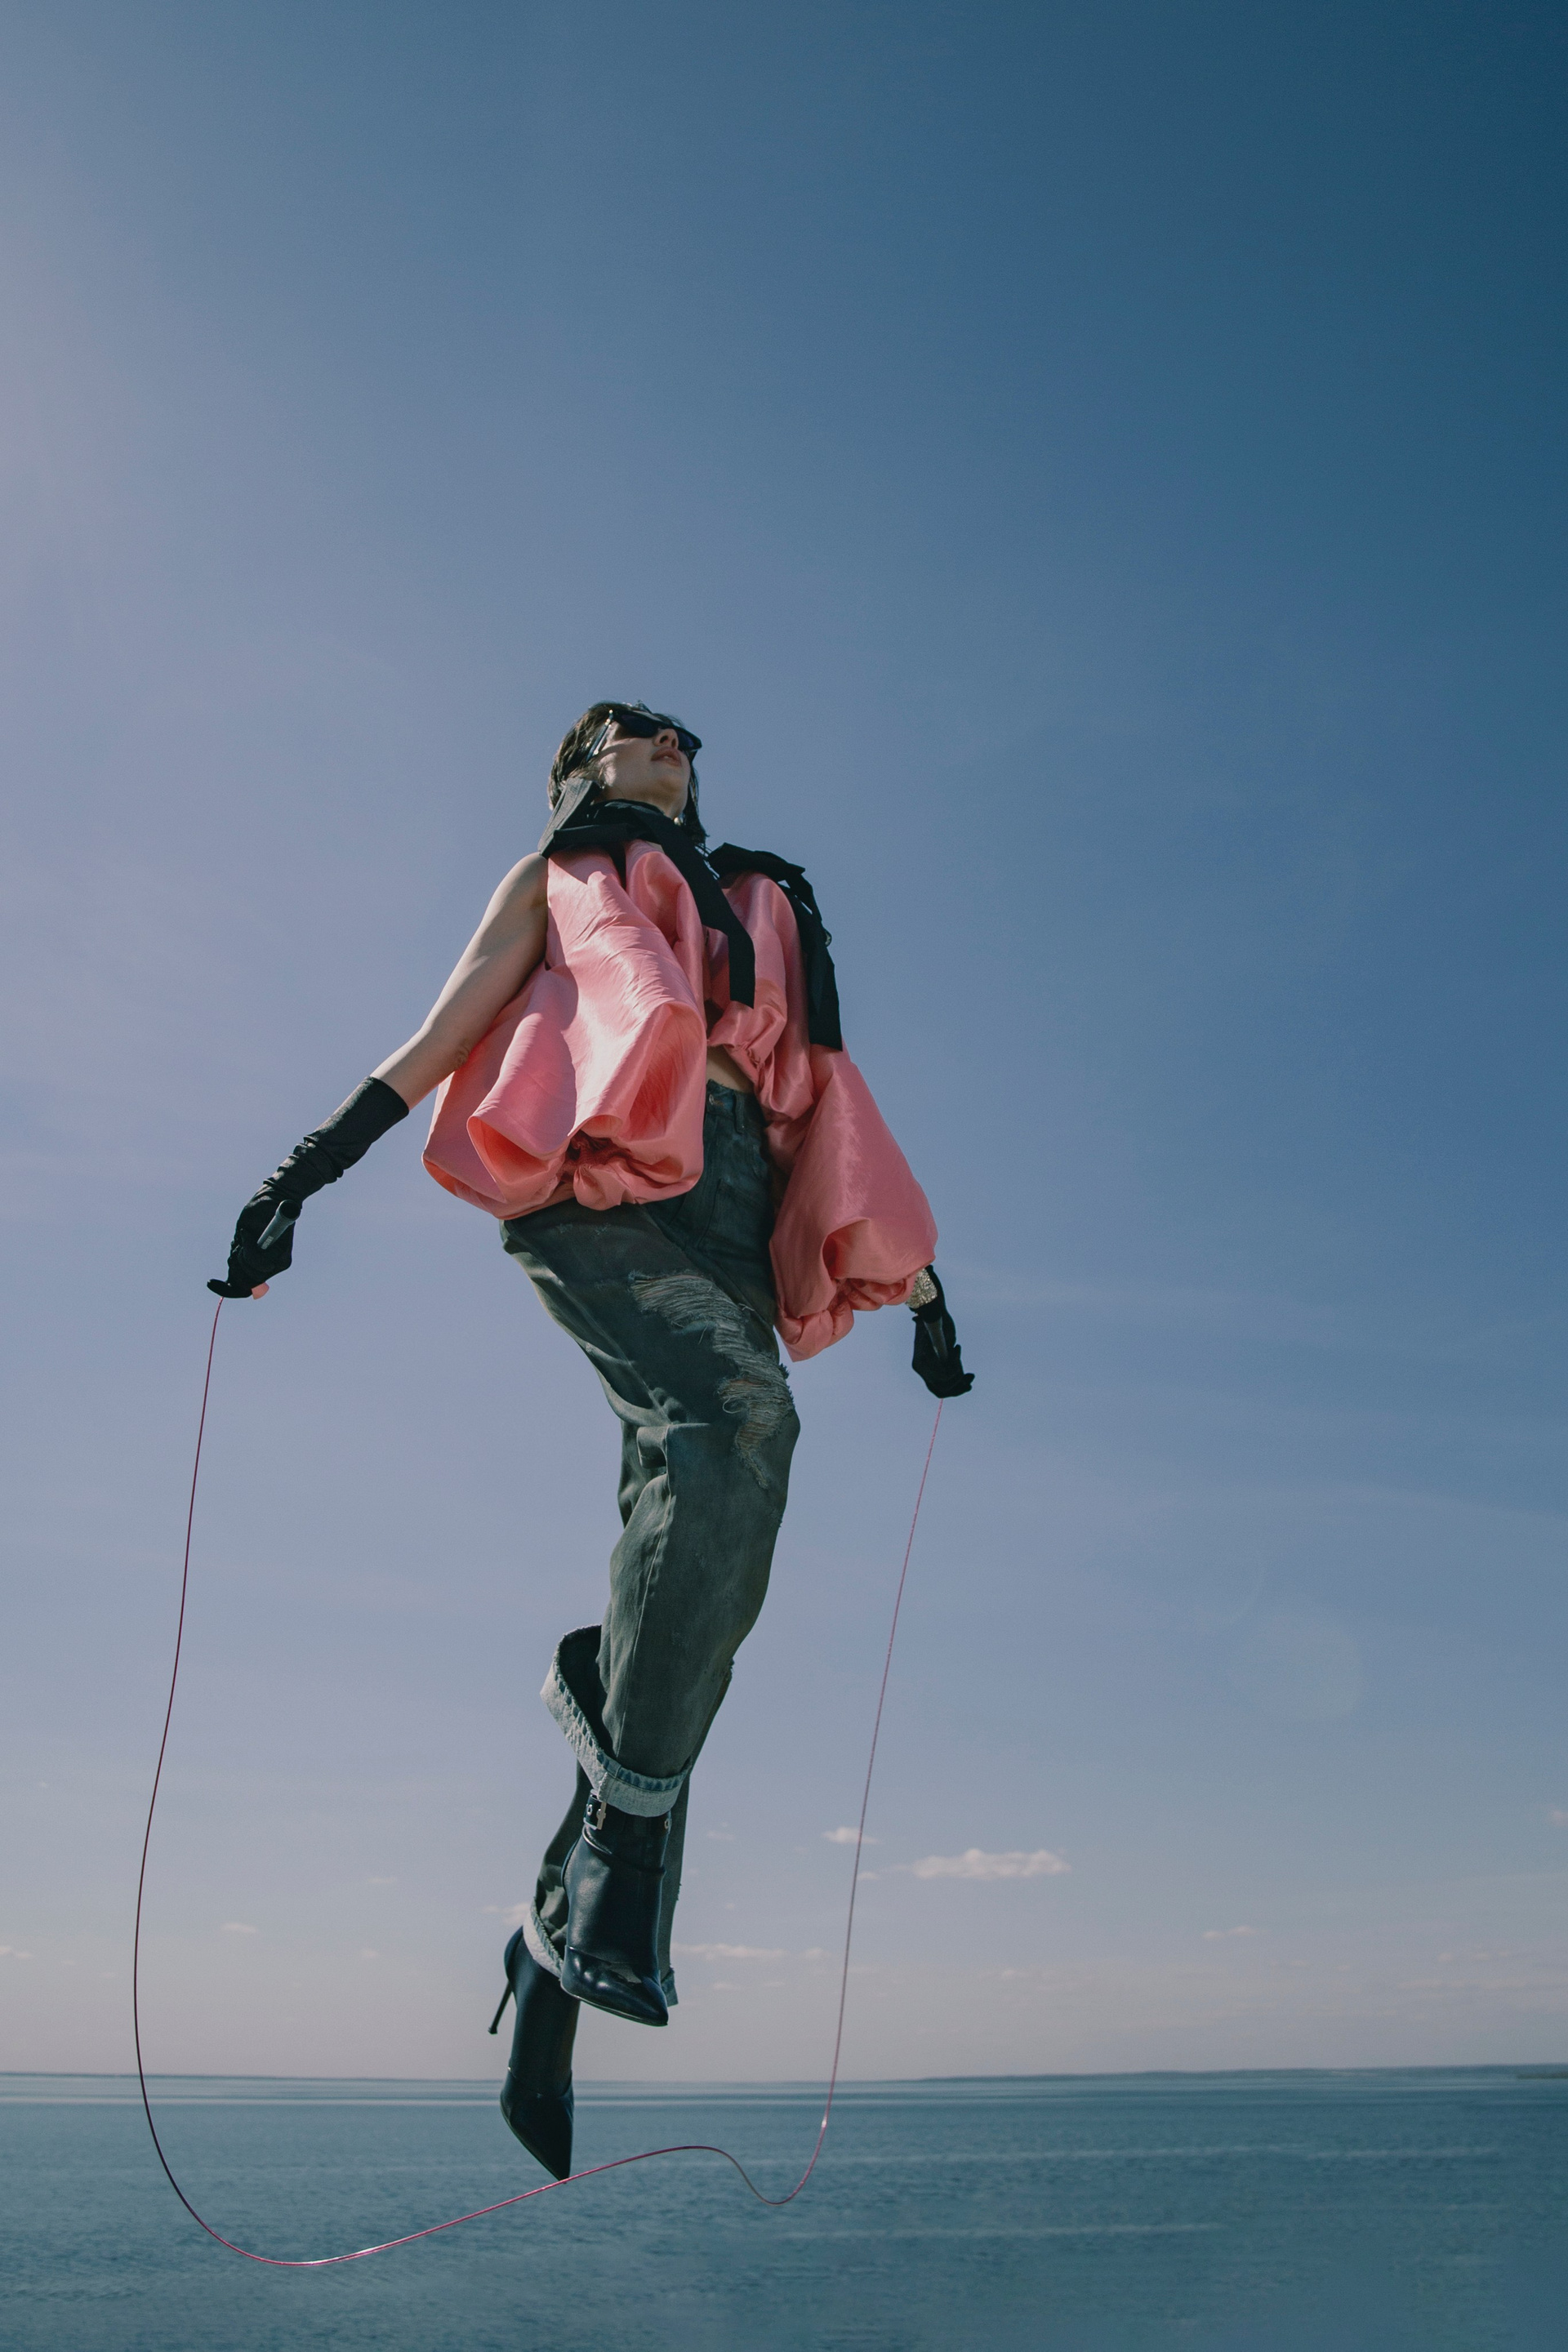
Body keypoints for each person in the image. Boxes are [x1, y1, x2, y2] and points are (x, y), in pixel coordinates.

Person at [210, 702, 972, 2180]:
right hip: (603, 1188)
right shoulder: (561, 874)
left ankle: (553, 1961)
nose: (663, 743)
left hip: (737, 1215)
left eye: (679, 734)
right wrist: (300, 1176)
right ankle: (626, 1852)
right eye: (627, 733)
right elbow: (445, 1033)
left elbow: (824, 1094)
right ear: (577, 771)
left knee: (702, 1558)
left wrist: (929, 1296)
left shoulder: (760, 904)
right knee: (739, 1425)